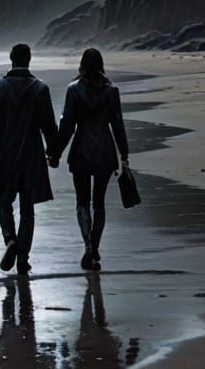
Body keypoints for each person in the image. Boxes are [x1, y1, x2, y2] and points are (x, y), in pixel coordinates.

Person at [0, 43, 58, 274]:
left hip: (5, 155)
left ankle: (10, 241)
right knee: (27, 209)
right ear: (29, 59)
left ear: (11, 58)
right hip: (32, 156)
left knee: (3, 203)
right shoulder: (40, 89)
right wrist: (53, 152)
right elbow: (49, 127)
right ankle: (22, 259)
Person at [51, 47, 130, 271]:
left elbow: (67, 125)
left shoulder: (73, 90)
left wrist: (55, 152)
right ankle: (95, 245)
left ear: (82, 65)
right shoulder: (112, 91)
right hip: (105, 152)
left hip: (81, 153)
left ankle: (87, 247)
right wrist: (124, 154)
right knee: (100, 203)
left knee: (82, 202)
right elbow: (118, 125)